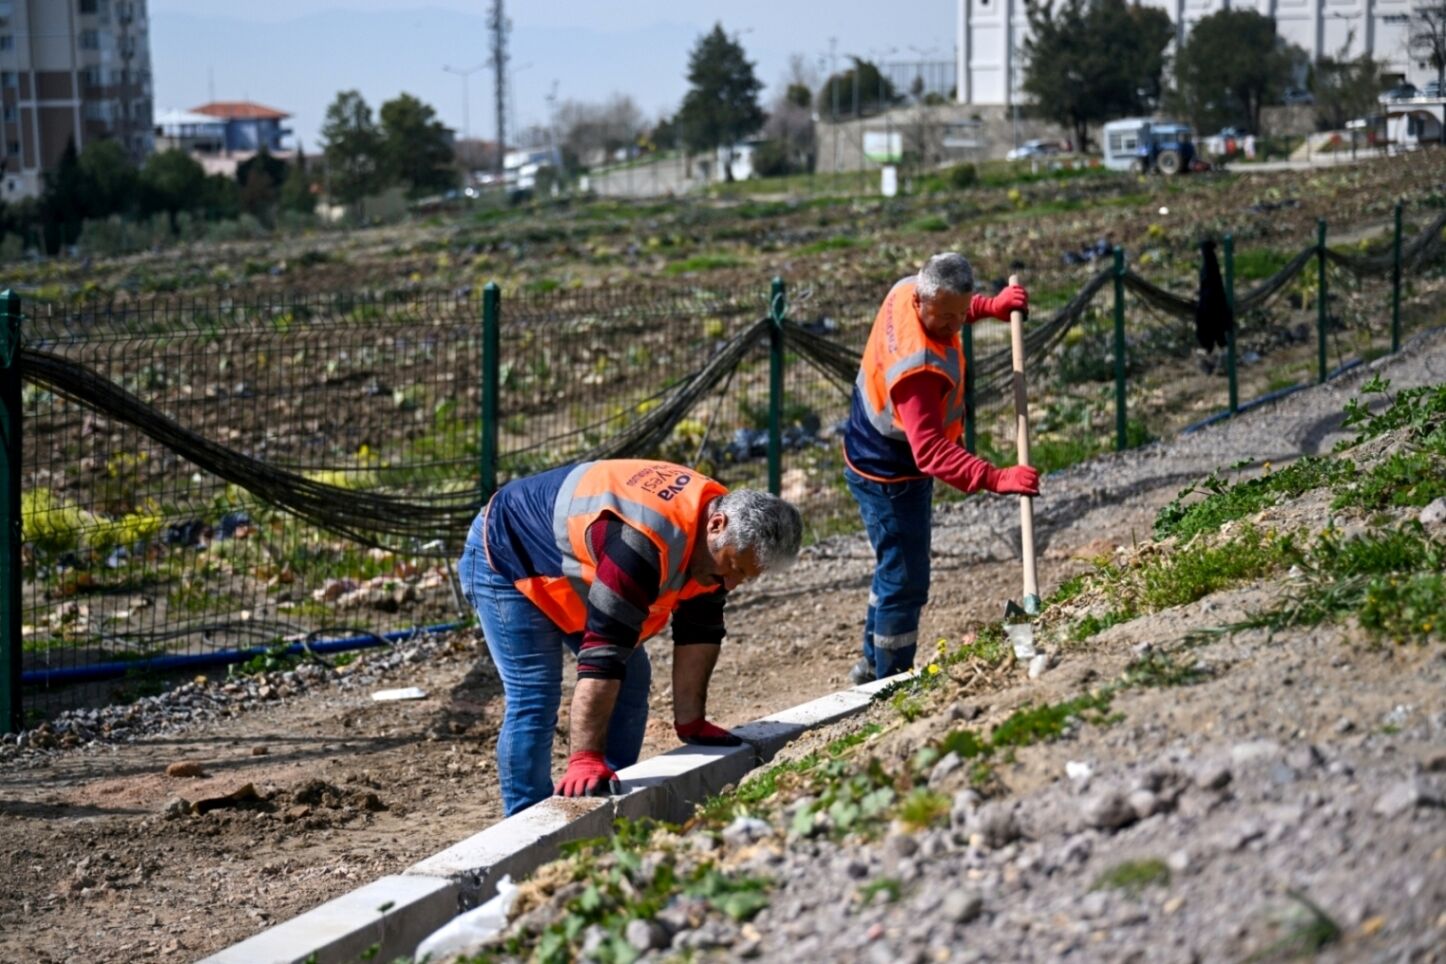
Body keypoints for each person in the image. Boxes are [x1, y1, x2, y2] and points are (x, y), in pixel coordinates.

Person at [457, 459, 803, 815]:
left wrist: (691, 721)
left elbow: (699, 628)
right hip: (504, 553)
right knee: (535, 693)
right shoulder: (640, 542)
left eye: (744, 576)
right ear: (717, 525)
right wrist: (584, 756)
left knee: (632, 678)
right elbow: (604, 653)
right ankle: (526, 819)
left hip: (568, 565)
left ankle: (606, 791)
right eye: (733, 568)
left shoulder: (714, 538)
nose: (730, 583)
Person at [844, 253, 1041, 685]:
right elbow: (930, 452)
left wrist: (992, 306)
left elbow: (955, 304)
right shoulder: (918, 370)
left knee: (892, 565)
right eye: (945, 318)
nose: (955, 326)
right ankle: (890, 680)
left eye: (961, 314)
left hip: (868, 444)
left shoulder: (904, 288)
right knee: (906, 578)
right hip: (889, 473)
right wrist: (996, 477)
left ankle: (871, 664)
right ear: (921, 301)